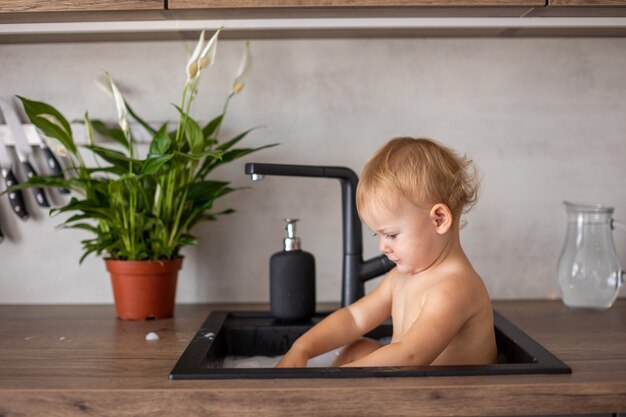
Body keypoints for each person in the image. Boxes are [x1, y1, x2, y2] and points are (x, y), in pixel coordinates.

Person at [275, 137, 497, 368]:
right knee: (359, 348)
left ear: (438, 219)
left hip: (451, 398)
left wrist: (333, 379)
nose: (382, 247)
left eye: (390, 235)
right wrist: (301, 349)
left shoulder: (455, 287)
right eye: (377, 235)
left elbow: (411, 356)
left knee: (370, 359)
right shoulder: (400, 277)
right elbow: (354, 318)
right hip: (412, 384)